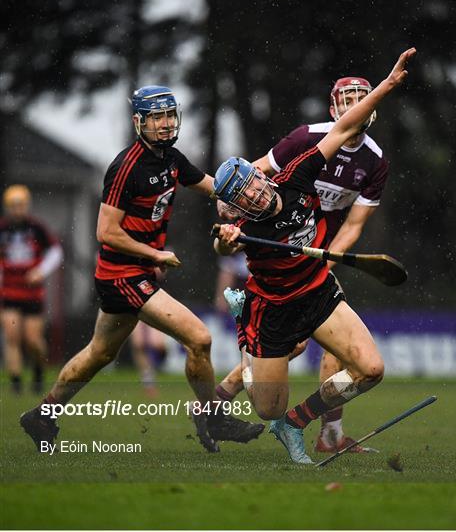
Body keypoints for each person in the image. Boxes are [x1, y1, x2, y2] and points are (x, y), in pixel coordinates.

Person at [19, 85, 264, 453]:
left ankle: (42, 414)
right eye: (156, 118)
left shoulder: (172, 159)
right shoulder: (125, 167)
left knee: (100, 354)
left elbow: (213, 188)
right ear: (139, 122)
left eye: (169, 116)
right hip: (122, 275)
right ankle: (212, 415)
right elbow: (106, 232)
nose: (165, 125)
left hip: (133, 274)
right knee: (199, 339)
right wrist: (154, 254)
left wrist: (248, 199)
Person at [213, 48, 415, 463]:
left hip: (319, 289)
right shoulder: (247, 230)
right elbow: (222, 244)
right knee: (267, 406)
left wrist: (388, 85)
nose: (257, 191)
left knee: (370, 370)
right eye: (247, 195)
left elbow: (344, 129)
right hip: (273, 307)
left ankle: (297, 423)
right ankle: (244, 335)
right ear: (242, 207)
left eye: (256, 182)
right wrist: (226, 238)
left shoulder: (299, 173)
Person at [1, 185, 64, 395]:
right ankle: (16, 382)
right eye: (13, 205)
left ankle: (38, 370)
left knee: (33, 341)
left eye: (21, 205)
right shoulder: (2, 229)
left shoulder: (37, 228)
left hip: (32, 294)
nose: (17, 209)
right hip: (9, 292)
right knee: (12, 336)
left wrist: (40, 271)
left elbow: (56, 252)